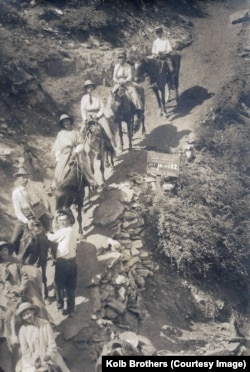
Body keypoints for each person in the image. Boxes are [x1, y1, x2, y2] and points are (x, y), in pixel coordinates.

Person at [16, 302, 71, 372]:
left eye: (28, 313)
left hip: (48, 353)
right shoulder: (22, 330)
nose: (27, 317)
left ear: (33, 311)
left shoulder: (45, 323)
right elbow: (25, 350)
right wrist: (34, 360)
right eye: (24, 315)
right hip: (32, 357)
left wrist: (48, 354)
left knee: (63, 368)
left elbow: (51, 342)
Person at [11, 167, 52, 254]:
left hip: (39, 211)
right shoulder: (15, 193)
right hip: (25, 215)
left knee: (50, 231)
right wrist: (26, 221)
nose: (25, 180)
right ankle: (17, 256)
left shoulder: (34, 186)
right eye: (23, 178)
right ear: (18, 179)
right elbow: (17, 211)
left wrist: (44, 209)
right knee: (14, 240)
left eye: (26, 177)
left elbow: (44, 198)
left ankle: (54, 253)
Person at [51, 114, 97, 189]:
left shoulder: (75, 132)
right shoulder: (60, 134)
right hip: (65, 153)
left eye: (67, 121)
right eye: (64, 122)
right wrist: (57, 155)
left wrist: (77, 150)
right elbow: (57, 146)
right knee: (59, 168)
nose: (66, 123)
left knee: (84, 164)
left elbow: (81, 142)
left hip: (76, 151)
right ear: (62, 124)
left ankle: (92, 182)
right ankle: (54, 187)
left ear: (70, 121)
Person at [46, 209, 77, 317]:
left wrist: (46, 231)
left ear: (69, 220)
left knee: (59, 286)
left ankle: (60, 307)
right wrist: (56, 221)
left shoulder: (66, 231)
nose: (63, 222)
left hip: (63, 263)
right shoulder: (71, 230)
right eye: (61, 220)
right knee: (70, 287)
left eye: (65, 220)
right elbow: (57, 230)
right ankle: (71, 309)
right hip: (72, 262)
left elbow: (51, 237)